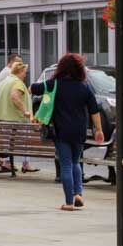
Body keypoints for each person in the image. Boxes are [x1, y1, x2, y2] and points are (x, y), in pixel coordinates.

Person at [38, 52, 106, 211]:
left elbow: (34, 88)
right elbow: (94, 110)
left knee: (66, 165)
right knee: (76, 162)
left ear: (61, 67)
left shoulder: (54, 84)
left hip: (62, 131)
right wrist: (99, 130)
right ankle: (78, 194)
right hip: (79, 131)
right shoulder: (84, 86)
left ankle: (69, 202)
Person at [0, 59, 37, 173]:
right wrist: (25, 111)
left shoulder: (5, 81)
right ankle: (26, 163)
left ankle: (6, 162)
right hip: (17, 119)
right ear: (20, 72)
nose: (25, 75)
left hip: (3, 118)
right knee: (25, 141)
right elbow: (14, 97)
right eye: (24, 72)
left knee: (7, 141)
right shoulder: (17, 82)